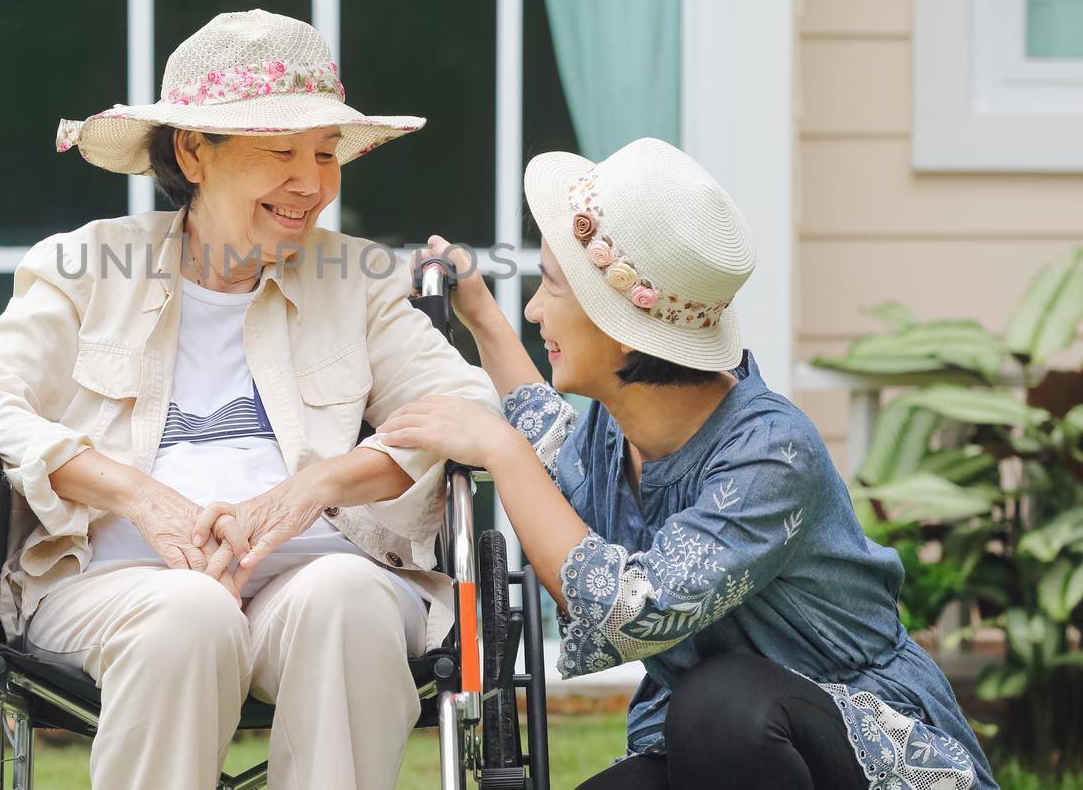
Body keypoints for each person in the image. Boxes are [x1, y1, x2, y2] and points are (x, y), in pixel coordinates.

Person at [0, 8, 500, 789]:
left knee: (349, 602)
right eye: (280, 152)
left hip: (319, 571)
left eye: (326, 153)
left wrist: (319, 486)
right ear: (194, 152)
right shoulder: (86, 265)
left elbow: (467, 405)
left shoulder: (358, 279)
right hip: (113, 583)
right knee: (189, 613)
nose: (312, 183)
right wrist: (136, 494)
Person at [378, 137, 996, 789]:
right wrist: (482, 316)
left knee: (718, 701)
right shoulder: (619, 432)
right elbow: (554, 453)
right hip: (714, 747)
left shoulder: (771, 455)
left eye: (551, 288)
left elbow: (632, 609)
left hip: (857, 746)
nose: (533, 309)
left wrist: (498, 448)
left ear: (620, 325)